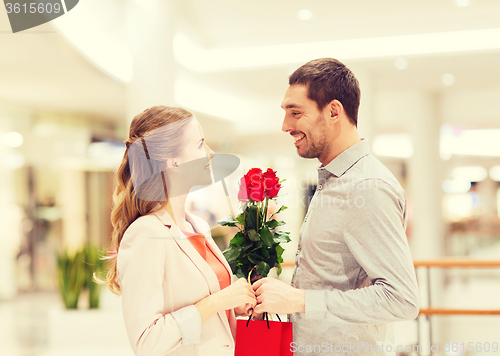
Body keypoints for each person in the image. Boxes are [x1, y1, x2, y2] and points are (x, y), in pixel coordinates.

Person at [252, 58, 420, 355]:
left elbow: (401, 299)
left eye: (296, 113)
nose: (285, 126)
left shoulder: (367, 187)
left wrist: (300, 300)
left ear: (333, 111)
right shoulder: (334, 179)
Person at [98, 106, 256, 356]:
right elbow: (147, 342)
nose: (210, 153)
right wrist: (217, 302)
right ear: (173, 161)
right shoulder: (146, 234)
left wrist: (233, 306)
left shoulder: (197, 225)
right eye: (200, 144)